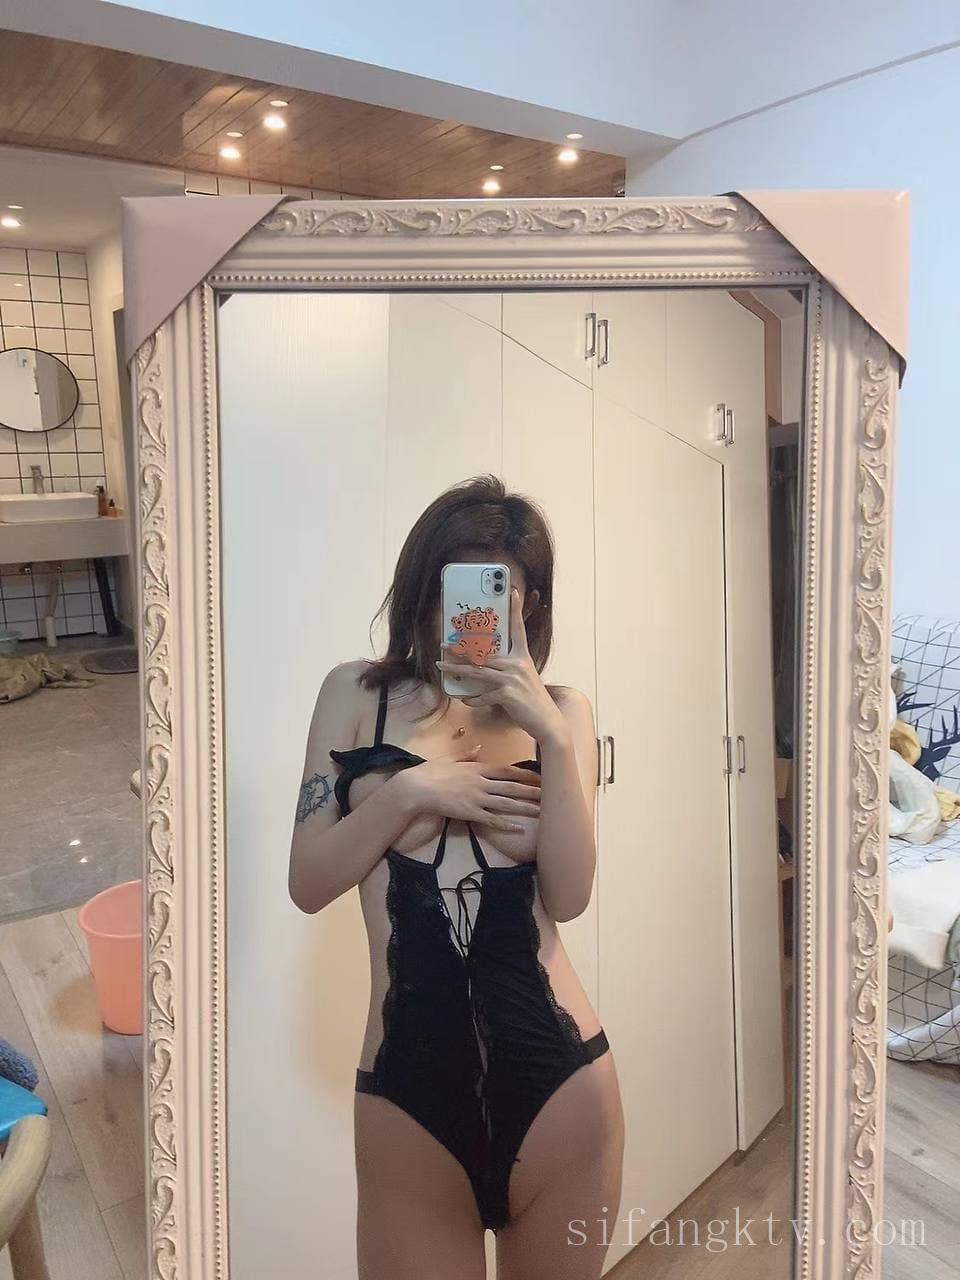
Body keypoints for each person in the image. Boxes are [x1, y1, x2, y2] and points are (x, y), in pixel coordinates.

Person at [289, 474, 624, 1280]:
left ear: (528, 604)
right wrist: (410, 793)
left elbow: (571, 896)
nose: (468, 613)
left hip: (563, 1086)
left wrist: (552, 736)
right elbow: (308, 882)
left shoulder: (566, 714)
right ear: (421, 587)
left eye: (499, 590)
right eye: (453, 586)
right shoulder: (355, 695)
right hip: (407, 1097)